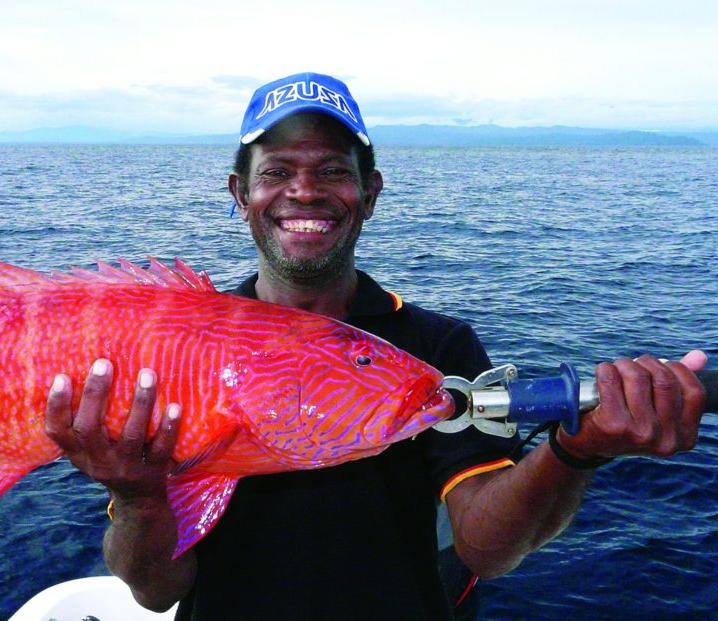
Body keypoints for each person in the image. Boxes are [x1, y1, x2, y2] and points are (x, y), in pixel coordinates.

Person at [43, 72, 707, 620]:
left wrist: (575, 448)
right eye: (277, 170)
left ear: (369, 193)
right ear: (241, 195)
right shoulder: (174, 344)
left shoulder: (434, 347)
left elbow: (483, 548)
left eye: (332, 170)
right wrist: (136, 496)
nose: (304, 189)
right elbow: (155, 589)